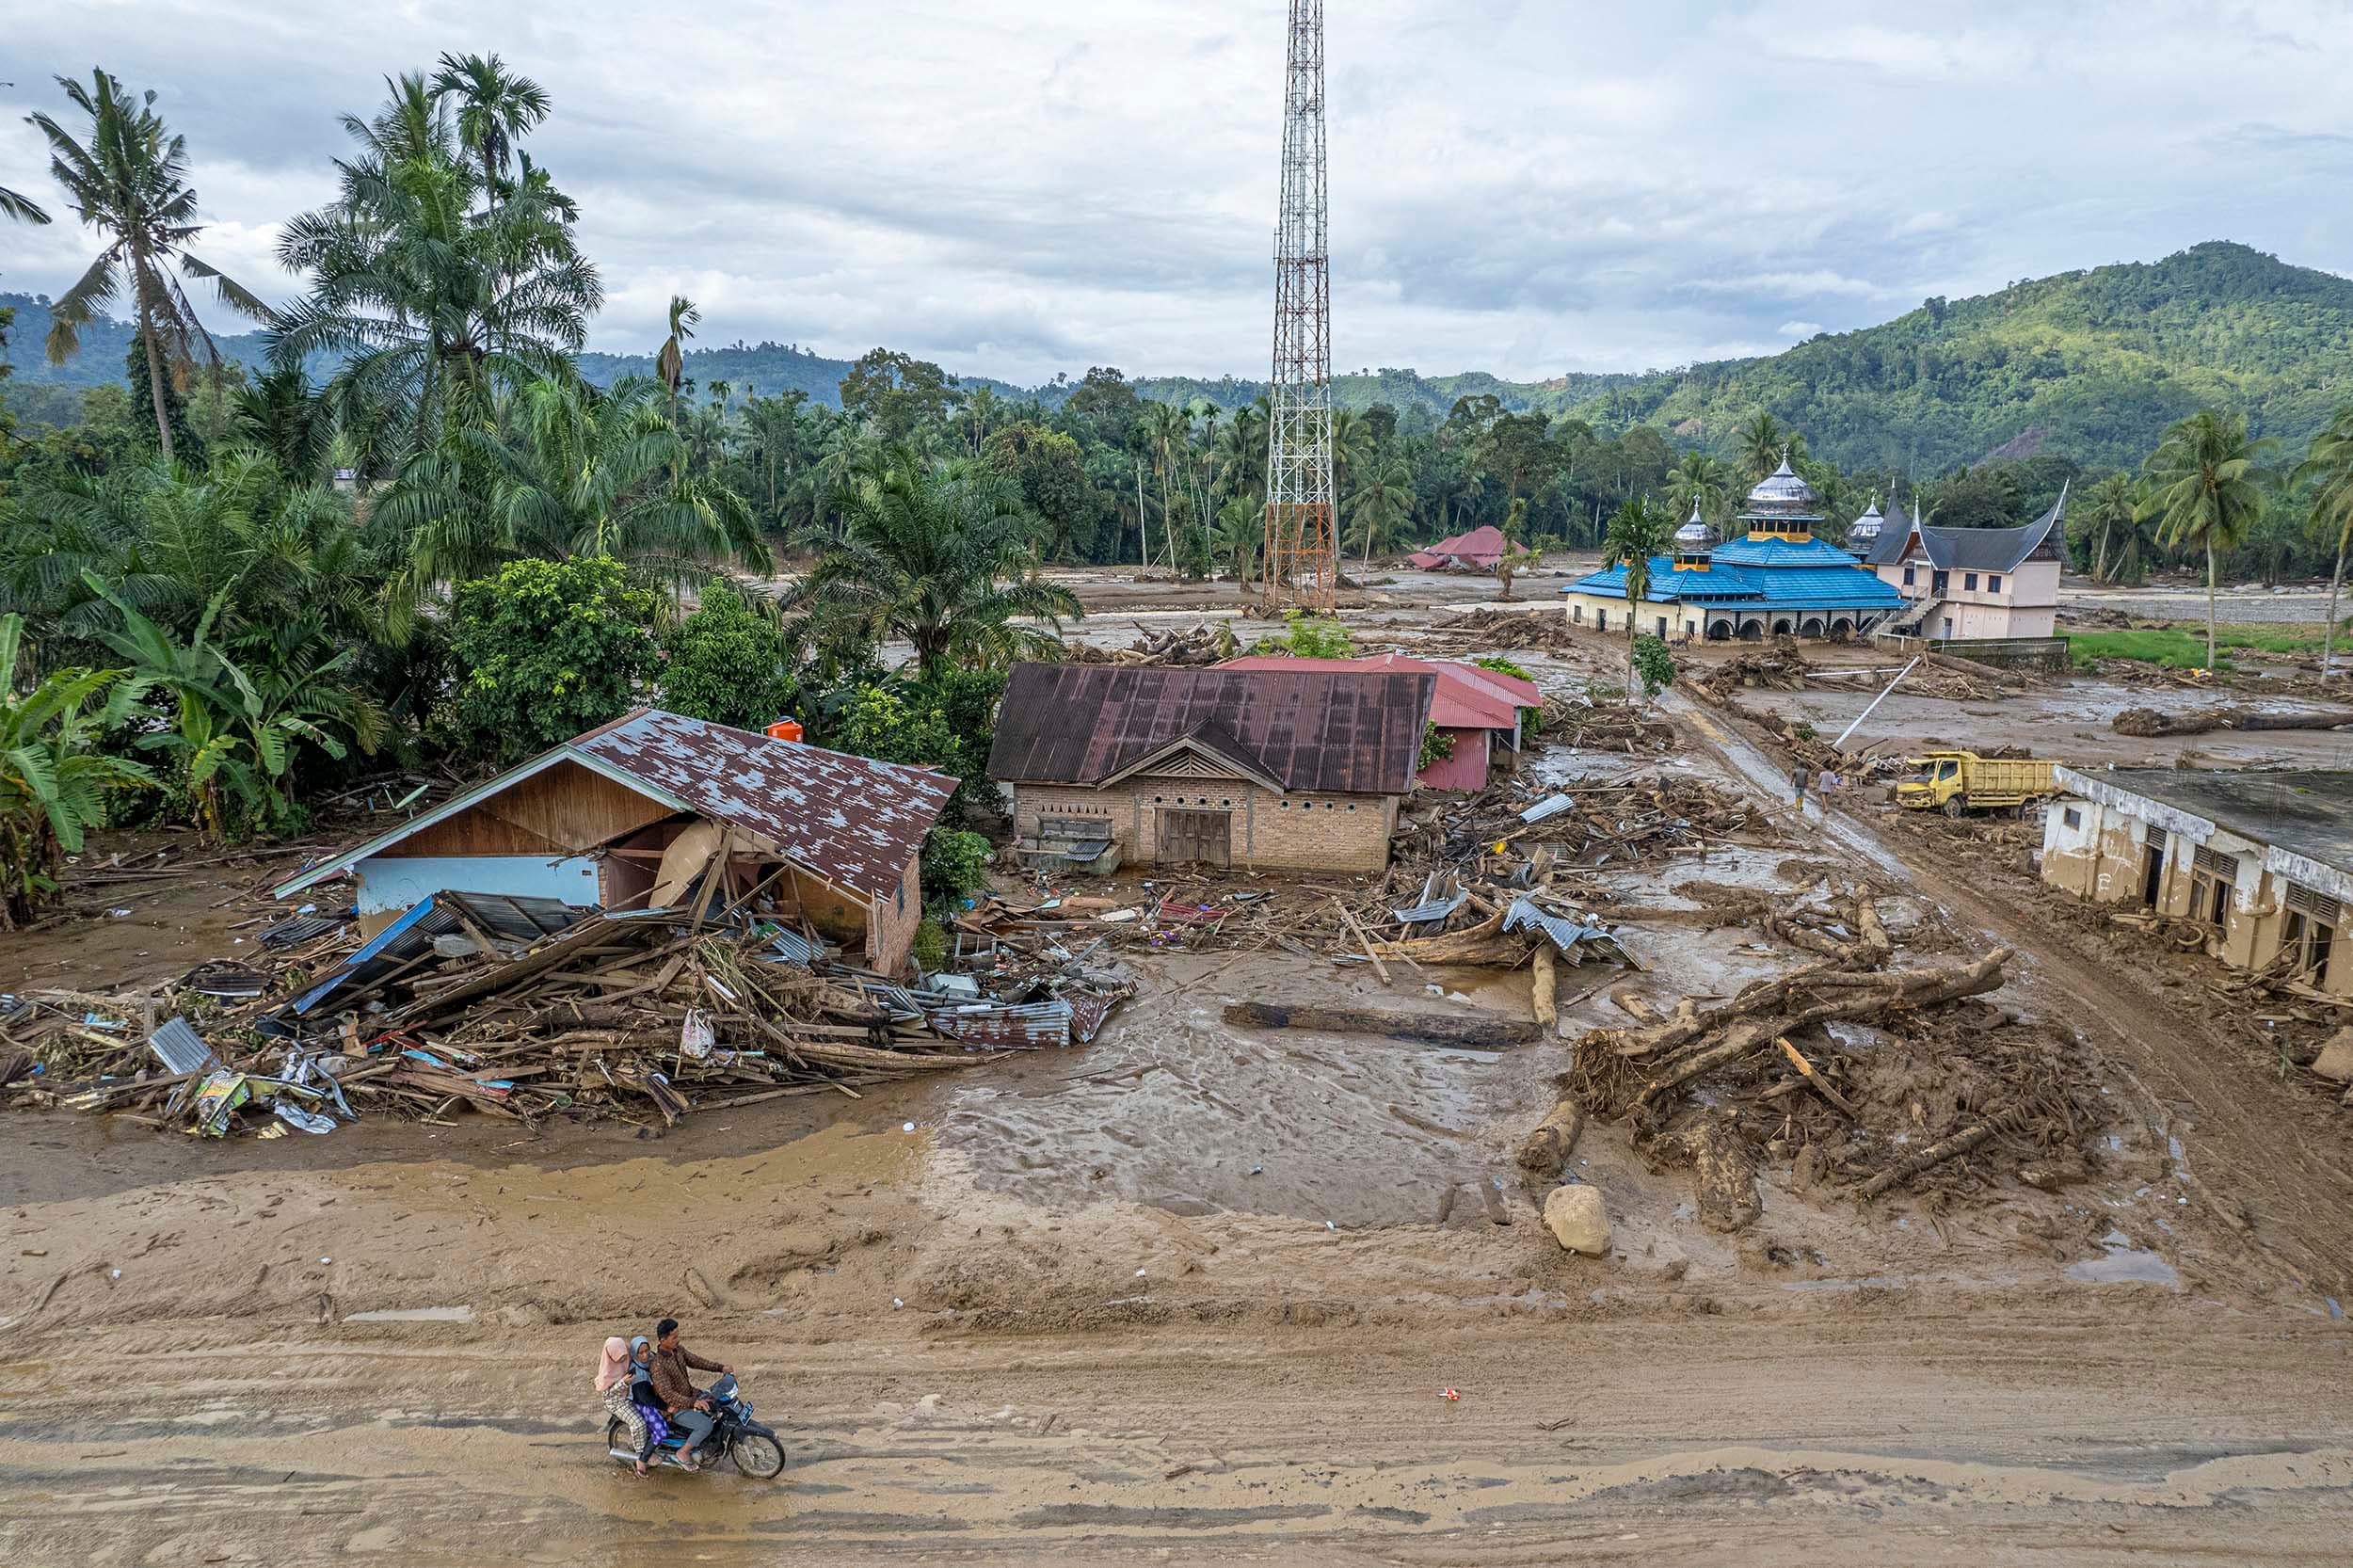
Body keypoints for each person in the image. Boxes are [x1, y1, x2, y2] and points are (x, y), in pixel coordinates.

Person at [648, 1316, 735, 1472]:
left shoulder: (678, 1351)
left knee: (715, 1402)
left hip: (690, 1396)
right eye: (674, 1337)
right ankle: (683, 1452)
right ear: (663, 1339)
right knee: (705, 1425)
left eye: (678, 1336)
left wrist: (720, 1368)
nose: (678, 1340)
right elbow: (667, 1394)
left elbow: (696, 1361)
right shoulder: (658, 1365)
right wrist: (692, 1403)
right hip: (675, 1408)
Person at [596, 1336, 650, 1477]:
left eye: (624, 1356)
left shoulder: (627, 1356)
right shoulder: (606, 1372)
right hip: (616, 1402)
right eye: (619, 1358)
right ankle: (641, 1457)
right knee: (638, 1423)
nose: (622, 1360)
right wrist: (623, 1382)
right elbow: (608, 1394)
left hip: (629, 1395)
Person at [627, 1336, 670, 1469]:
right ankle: (643, 1459)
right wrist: (666, 1407)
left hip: (654, 1395)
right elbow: (647, 1400)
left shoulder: (652, 1357)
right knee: (662, 1431)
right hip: (643, 1403)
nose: (645, 1355)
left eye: (647, 1350)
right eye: (641, 1353)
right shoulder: (637, 1374)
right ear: (635, 1354)